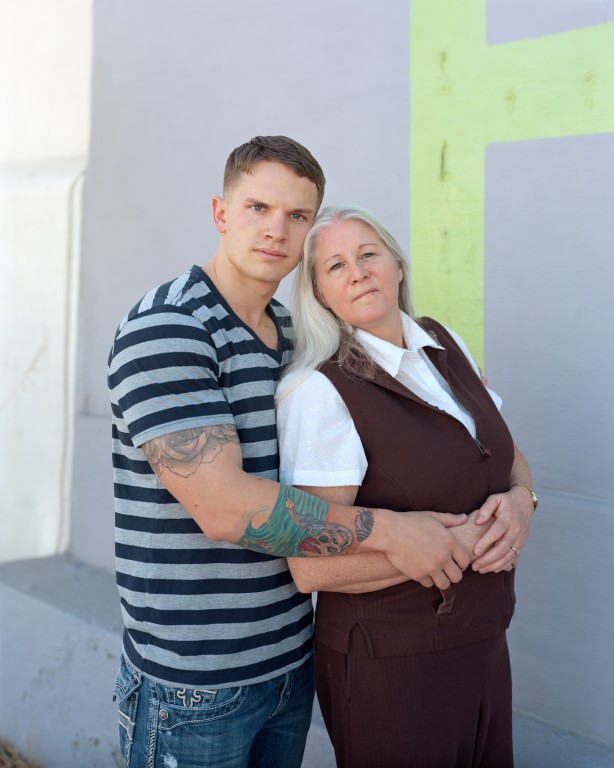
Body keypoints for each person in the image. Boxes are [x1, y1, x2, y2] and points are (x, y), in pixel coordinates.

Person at [107, 138, 477, 768]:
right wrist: (395, 533)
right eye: (257, 208)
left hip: (290, 661)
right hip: (195, 682)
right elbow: (225, 510)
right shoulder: (169, 328)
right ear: (221, 213)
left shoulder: (295, 337)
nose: (276, 230)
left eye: (298, 216)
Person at [276, 205, 537, 768]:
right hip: (391, 662)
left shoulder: (444, 344)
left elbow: (505, 451)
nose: (358, 271)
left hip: (484, 642)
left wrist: (523, 500)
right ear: (320, 294)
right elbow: (311, 567)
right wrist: (450, 547)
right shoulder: (322, 392)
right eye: (335, 266)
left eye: (369, 254)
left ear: (396, 265)